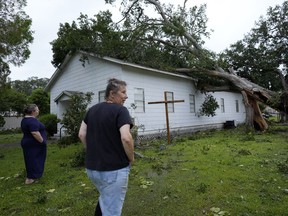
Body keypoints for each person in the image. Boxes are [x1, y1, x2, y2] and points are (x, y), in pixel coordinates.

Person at [78, 78, 134, 216]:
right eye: (123, 92)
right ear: (112, 94)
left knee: (105, 197)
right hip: (114, 171)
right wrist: (131, 158)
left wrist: (92, 152)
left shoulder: (91, 110)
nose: (126, 96)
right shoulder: (121, 110)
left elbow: (81, 134)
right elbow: (126, 138)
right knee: (112, 210)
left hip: (92, 169)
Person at [20, 104, 47, 185]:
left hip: (28, 143)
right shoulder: (32, 121)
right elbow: (35, 133)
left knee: (31, 160)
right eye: (37, 110)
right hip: (34, 144)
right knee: (34, 160)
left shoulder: (24, 119)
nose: (38, 111)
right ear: (33, 112)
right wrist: (42, 141)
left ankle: (32, 177)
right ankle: (29, 179)